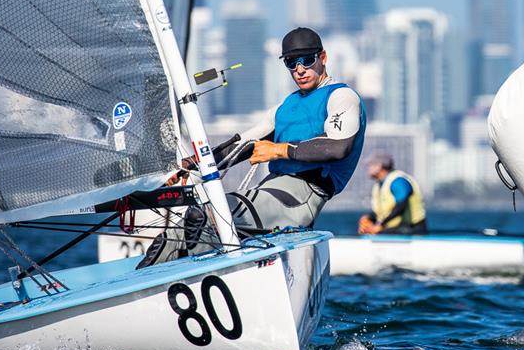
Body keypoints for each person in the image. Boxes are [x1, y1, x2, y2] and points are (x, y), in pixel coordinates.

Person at [139, 27, 366, 267]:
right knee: (179, 231)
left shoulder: (342, 97)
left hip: (304, 193)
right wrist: (191, 168)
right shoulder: (285, 107)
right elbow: (242, 144)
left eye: (307, 60)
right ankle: (143, 290)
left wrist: (279, 150)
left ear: (323, 57)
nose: (299, 69)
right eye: (291, 63)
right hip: (270, 189)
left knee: (209, 217)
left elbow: (339, 147)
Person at [358, 153, 427, 235]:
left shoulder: (398, 181)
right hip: (395, 228)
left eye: (370, 165)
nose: (368, 168)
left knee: (377, 233)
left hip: (412, 229)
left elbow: (401, 206)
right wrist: (368, 218)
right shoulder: (379, 185)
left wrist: (380, 225)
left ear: (379, 166)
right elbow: (381, 211)